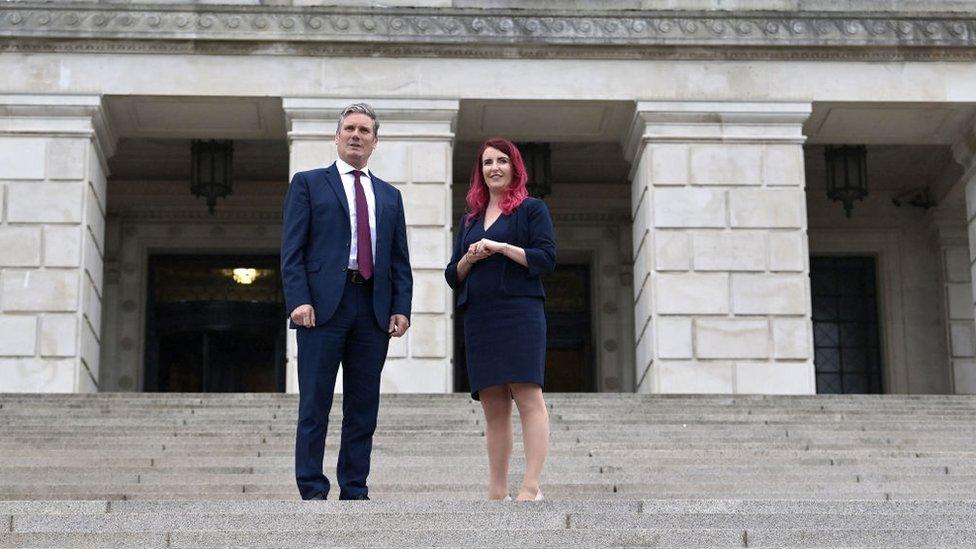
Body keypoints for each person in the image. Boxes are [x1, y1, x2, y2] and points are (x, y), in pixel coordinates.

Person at [281, 102, 412, 501]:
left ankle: (354, 488)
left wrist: (401, 307)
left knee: (363, 406)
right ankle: (311, 488)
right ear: (337, 136)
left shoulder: (390, 196)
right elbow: (293, 250)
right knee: (315, 403)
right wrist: (298, 300)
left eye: (365, 131)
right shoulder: (308, 184)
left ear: (375, 141)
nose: (356, 135)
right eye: (350, 129)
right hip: (321, 309)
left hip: (372, 308)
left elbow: (398, 259)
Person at [445, 138, 556, 502]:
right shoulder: (471, 219)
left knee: (527, 396)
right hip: (481, 315)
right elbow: (452, 274)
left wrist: (500, 247)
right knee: (493, 405)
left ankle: (530, 486)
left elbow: (545, 258)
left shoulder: (531, 209)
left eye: (502, 161)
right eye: (487, 162)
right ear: (480, 172)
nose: (494, 167)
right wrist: (470, 259)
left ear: (515, 167)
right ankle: (497, 491)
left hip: (520, 312)